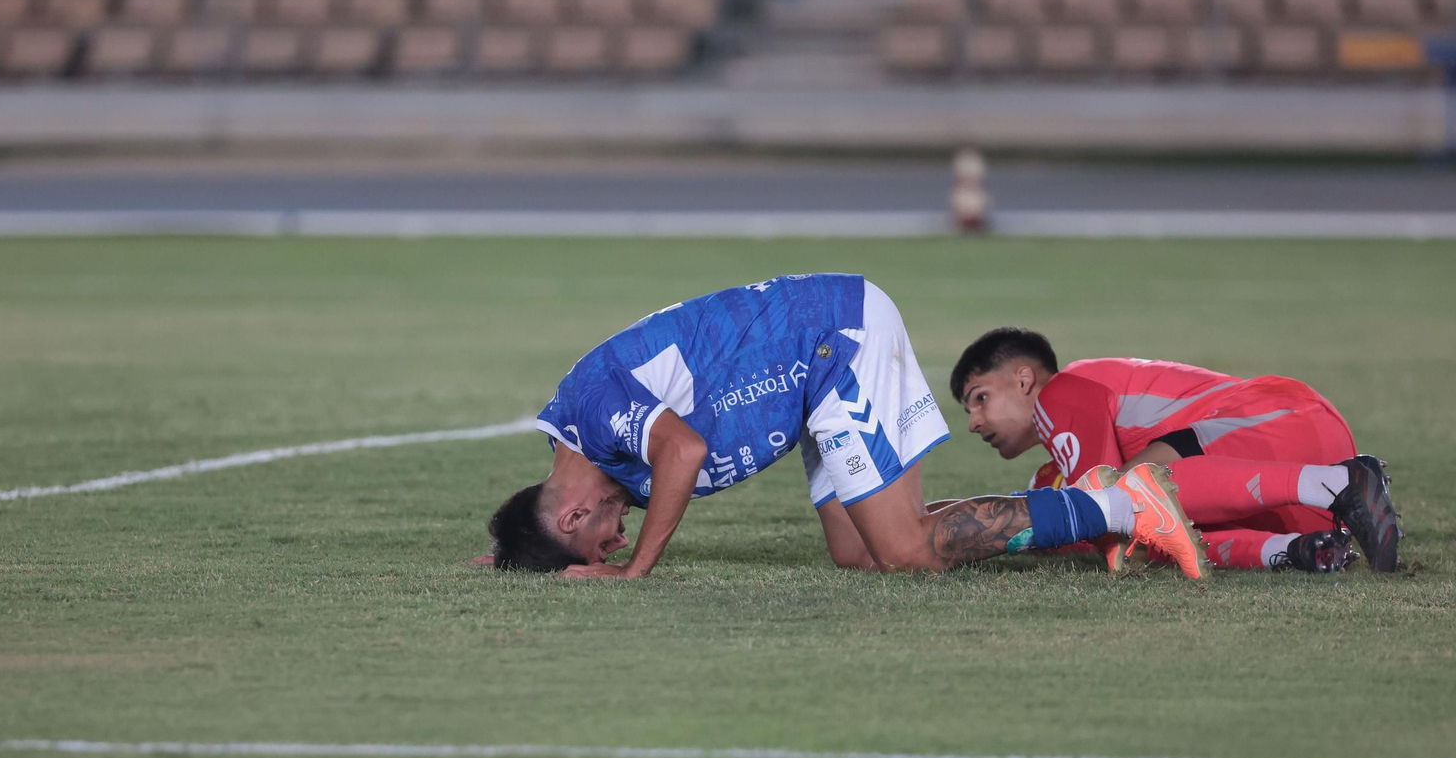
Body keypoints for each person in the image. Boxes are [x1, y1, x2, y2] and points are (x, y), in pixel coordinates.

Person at [485, 274, 1209, 579]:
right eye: (611, 549)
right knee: (859, 552)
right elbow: (568, 515)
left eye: (600, 542)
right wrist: (516, 555)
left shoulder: (593, 411)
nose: (614, 542)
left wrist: (636, 569)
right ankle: (1092, 504)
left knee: (905, 551)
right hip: (808, 378)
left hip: (832, 342)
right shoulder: (584, 448)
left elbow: (684, 448)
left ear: (573, 512)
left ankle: (1121, 505)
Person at [948, 327, 1403, 573]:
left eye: (980, 398)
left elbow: (1105, 506)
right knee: (1153, 525)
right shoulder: (1095, 397)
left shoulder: (1061, 392)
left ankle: (1340, 482)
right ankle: (1296, 550)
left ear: (1024, 379)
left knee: (1129, 505)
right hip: (1298, 480)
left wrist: (1045, 529)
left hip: (1284, 422)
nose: (973, 422)